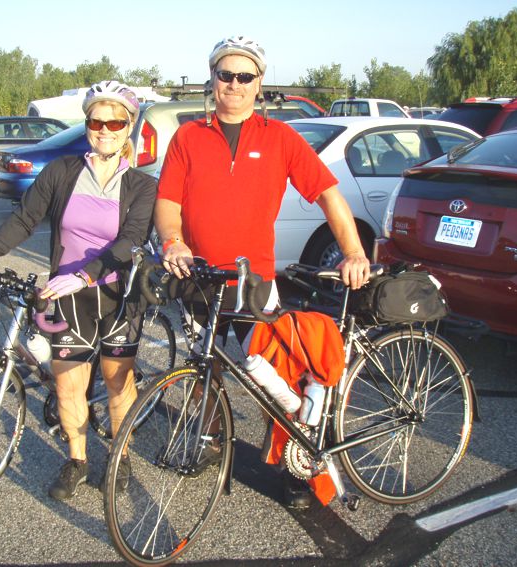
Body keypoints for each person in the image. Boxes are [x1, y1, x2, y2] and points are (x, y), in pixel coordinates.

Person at [154, 36, 370, 509]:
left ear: (259, 84)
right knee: (202, 365)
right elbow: (167, 200)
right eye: (224, 74)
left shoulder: (280, 138)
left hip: (254, 283)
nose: (233, 84)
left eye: (244, 76)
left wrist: (353, 250)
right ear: (212, 79)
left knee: (275, 377)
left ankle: (297, 459)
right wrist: (173, 239)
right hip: (198, 278)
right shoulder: (188, 136)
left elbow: (330, 195)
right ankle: (211, 438)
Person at [0, 80, 156, 501]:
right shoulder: (62, 172)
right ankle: (78, 460)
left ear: (128, 128)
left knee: (118, 382)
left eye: (114, 121)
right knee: (68, 385)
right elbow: (24, 220)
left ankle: (120, 458)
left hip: (118, 296)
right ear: (87, 124)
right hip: (68, 298)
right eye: (96, 121)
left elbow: (132, 239)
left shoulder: (140, 185)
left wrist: (87, 274)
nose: (104, 129)